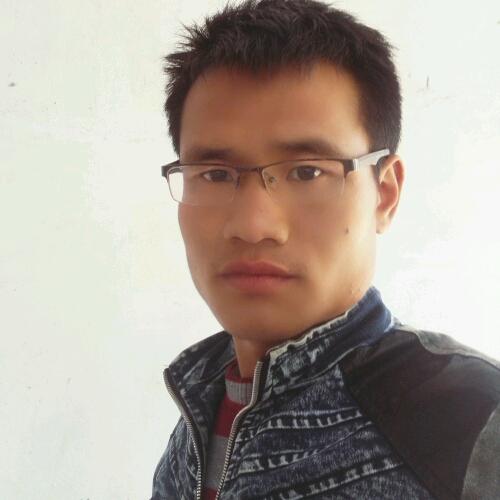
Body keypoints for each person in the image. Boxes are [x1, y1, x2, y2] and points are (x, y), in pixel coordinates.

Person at [151, 1, 500, 498]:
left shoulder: (472, 421)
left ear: (384, 194)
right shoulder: (198, 408)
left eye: (307, 171)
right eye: (216, 175)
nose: (253, 225)